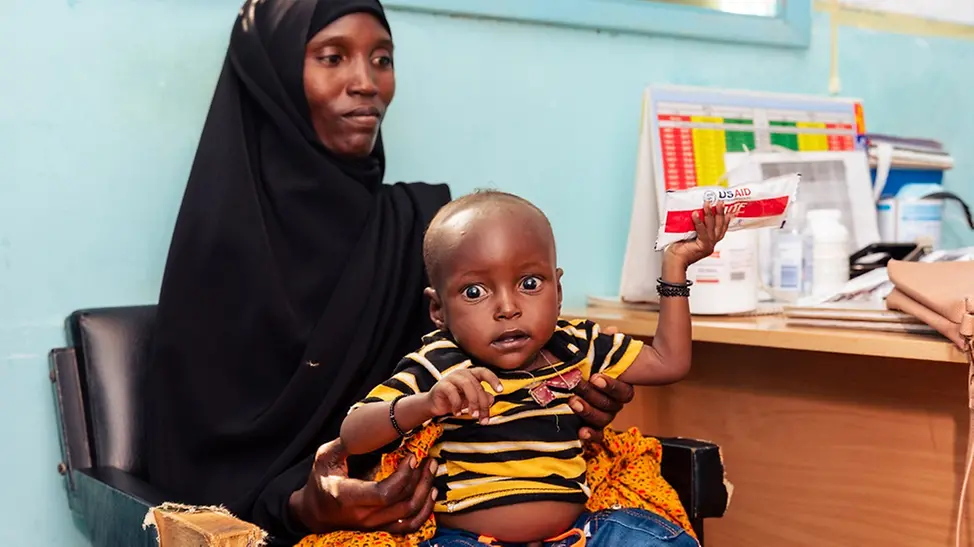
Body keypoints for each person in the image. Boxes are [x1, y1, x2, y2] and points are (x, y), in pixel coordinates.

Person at [143, 1, 637, 545]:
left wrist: (566, 400)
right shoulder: (221, 245)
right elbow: (195, 469)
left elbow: (475, 375)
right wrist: (305, 505)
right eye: (332, 58)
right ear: (272, 78)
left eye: (382, 58)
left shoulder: (419, 228)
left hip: (456, 511)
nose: (367, 83)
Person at [338, 191, 729, 546]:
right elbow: (353, 436)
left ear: (558, 292)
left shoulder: (576, 344)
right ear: (438, 310)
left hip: (579, 535)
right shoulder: (438, 364)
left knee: (662, 541)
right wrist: (425, 404)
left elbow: (669, 361)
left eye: (529, 283)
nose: (508, 308)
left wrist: (675, 268)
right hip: (468, 540)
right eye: (475, 292)